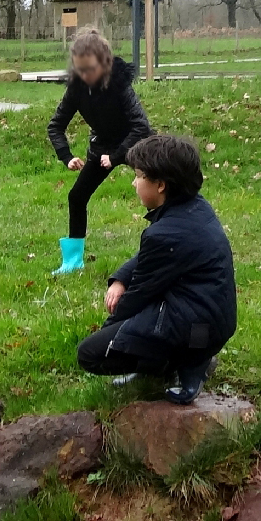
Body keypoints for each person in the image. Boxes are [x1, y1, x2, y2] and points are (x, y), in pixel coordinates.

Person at [75, 133, 235, 405]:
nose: (134, 182)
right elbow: (151, 258)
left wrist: (109, 337)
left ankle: (185, 366)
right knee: (132, 330)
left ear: (160, 185)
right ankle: (185, 359)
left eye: (139, 176)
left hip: (195, 328)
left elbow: (139, 295)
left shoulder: (166, 234)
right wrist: (120, 279)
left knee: (90, 354)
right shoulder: (194, 209)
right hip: (212, 322)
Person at [45, 28, 151, 275]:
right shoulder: (77, 89)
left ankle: (169, 247)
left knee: (156, 196)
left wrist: (116, 157)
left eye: (90, 69)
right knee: (76, 196)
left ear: (104, 63)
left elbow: (140, 125)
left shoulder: (119, 85)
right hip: (102, 145)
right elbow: (55, 126)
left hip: (136, 143)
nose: (85, 75)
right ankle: (73, 262)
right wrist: (67, 156)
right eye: (80, 70)